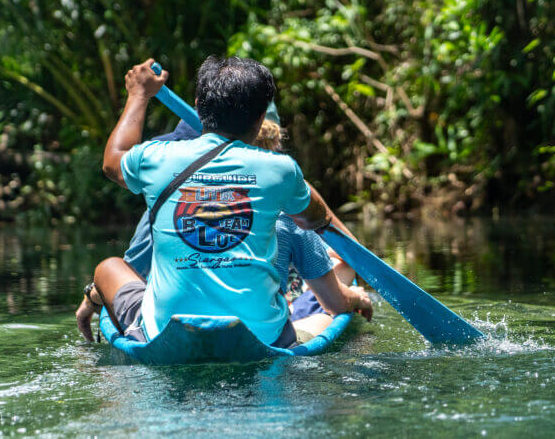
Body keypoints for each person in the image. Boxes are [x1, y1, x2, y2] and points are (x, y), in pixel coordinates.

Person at [83, 56, 368, 348]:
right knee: (317, 310)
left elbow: (112, 161)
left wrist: (139, 94)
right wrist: (353, 298)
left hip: (165, 338)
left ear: (199, 106)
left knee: (109, 267)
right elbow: (315, 219)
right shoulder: (281, 170)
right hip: (263, 339)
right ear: (261, 119)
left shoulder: (156, 157)